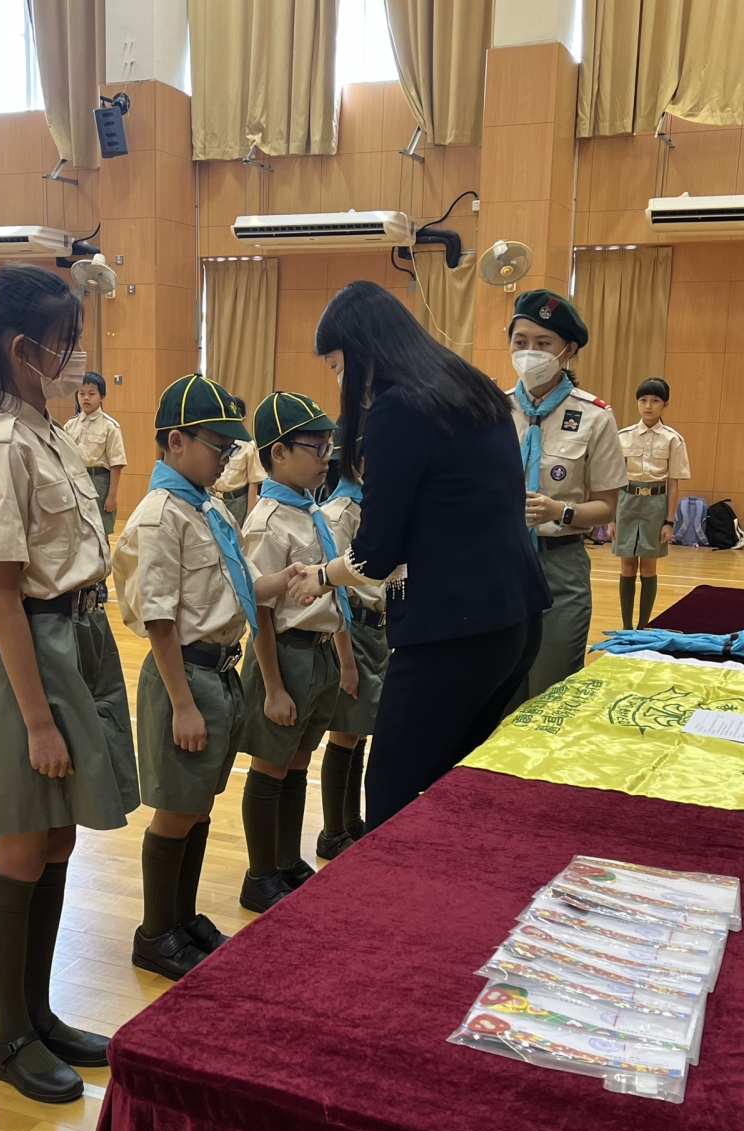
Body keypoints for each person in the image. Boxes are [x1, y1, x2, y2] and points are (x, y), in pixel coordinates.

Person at [0, 264, 139, 1105]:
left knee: (59, 837)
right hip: (36, 650)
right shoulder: (0, 448)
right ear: (25, 348)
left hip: (77, 640)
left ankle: (39, 1012)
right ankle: (9, 1035)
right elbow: (2, 593)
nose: (78, 354)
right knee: (23, 844)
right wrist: (36, 721)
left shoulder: (47, 432)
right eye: (69, 339)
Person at [290, 280, 551, 831]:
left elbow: (376, 553)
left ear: (361, 351)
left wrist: (321, 575)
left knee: (391, 792)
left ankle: (396, 889)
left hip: (451, 629)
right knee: (458, 785)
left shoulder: (398, 408)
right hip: (514, 618)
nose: (340, 380)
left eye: (337, 366)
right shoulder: (469, 386)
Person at [112, 375, 306, 979]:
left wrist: (292, 579)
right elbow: (160, 620)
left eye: (230, 448)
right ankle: (155, 933)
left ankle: (183, 918)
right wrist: (181, 704)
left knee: (198, 807)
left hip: (220, 675)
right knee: (175, 811)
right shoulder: (158, 517)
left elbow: (241, 586)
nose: (227, 458)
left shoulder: (210, 506)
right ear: (176, 441)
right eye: (218, 446)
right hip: (187, 678)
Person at [239, 392, 346, 912]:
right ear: (278, 453)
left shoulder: (309, 510)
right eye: (315, 447)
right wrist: (273, 686)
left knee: (298, 761)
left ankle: (285, 860)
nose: (327, 457)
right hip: (284, 654)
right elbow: (259, 610)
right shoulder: (267, 521)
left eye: (329, 446)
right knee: (270, 766)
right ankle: (260, 874)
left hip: (318, 652)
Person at [507, 290, 627, 701]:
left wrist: (561, 510)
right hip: (500, 565)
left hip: (560, 566)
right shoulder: (493, 410)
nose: (530, 353)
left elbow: (607, 506)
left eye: (543, 343)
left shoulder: (595, 416)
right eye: (520, 342)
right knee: (499, 694)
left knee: (550, 690)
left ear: (568, 350)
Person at [316, 443, 387, 859]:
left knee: (358, 731)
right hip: (353, 629)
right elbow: (337, 592)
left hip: (375, 629)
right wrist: (346, 661)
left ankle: (350, 820)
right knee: (344, 732)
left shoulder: (370, 506)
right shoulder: (340, 513)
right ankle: (332, 831)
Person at [610, 378, 690, 628]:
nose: (648, 406)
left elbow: (673, 484)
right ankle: (626, 627)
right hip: (626, 502)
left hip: (656, 504)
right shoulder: (623, 437)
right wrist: (611, 519)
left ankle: (643, 626)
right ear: (637, 402)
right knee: (627, 565)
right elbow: (613, 481)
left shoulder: (673, 439)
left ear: (665, 404)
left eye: (655, 401)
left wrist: (669, 522)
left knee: (648, 566)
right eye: (643, 400)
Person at [62, 371, 126, 537]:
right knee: (77, 532)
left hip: (99, 483)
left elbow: (116, 464)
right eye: (81, 393)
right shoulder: (69, 425)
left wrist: (112, 496)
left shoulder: (110, 426)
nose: (86, 398)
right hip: (75, 481)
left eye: (91, 394)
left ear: (102, 397)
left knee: (100, 533)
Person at [212, 401, 266, 526]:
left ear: (243, 420)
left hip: (237, 503)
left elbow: (253, 483)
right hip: (215, 498)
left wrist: (249, 515)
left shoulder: (248, 446)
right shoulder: (216, 441)